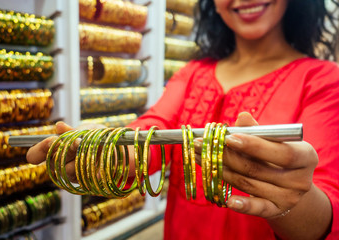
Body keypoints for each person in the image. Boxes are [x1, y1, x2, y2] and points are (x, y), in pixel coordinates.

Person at [27, 0, 339, 239]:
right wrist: (104, 152)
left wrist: (293, 199)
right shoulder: (192, 73)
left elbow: (325, 212)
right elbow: (153, 130)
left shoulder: (323, 80)